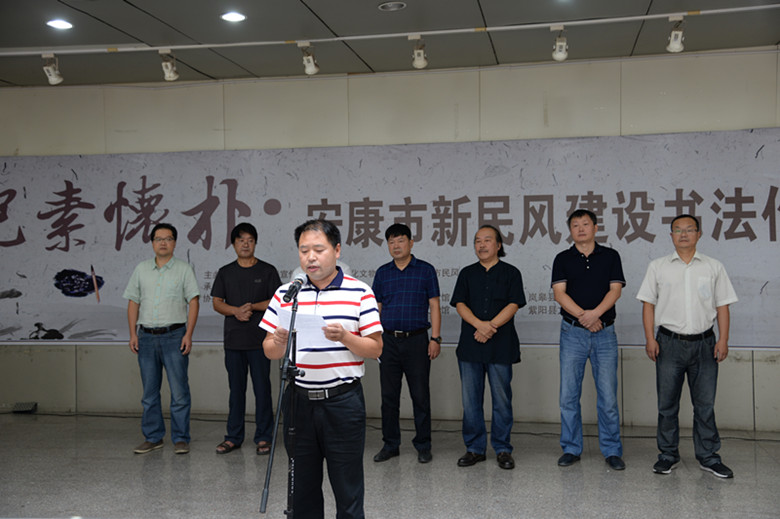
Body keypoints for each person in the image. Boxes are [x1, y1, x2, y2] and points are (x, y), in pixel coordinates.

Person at [260, 219, 382, 519]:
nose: (310, 258)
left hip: (342, 402)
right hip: (298, 402)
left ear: (337, 250)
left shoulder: (360, 292)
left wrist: (345, 337)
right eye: (304, 251)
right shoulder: (287, 294)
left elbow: (375, 348)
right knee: (302, 490)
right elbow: (269, 350)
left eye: (318, 249)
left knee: (347, 487)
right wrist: (279, 341)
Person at [636, 214, 738, 479]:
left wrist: (723, 339)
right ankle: (668, 455)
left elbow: (722, 305)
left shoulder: (713, 267)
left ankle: (709, 456)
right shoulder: (658, 266)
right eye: (678, 230)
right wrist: (649, 338)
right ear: (671, 235)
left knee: (704, 405)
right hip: (668, 343)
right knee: (667, 405)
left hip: (705, 344)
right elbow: (648, 304)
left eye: (689, 229)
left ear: (699, 234)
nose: (683, 234)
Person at [551, 209, 626, 470]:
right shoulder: (562, 258)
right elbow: (559, 294)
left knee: (608, 397)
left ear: (595, 228)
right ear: (570, 231)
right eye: (575, 225)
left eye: (585, 224)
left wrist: (595, 314)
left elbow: (615, 291)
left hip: (605, 334)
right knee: (568, 395)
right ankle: (571, 448)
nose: (581, 229)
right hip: (572, 333)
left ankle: (612, 450)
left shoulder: (611, 256)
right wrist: (585, 317)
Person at [450, 225, 526, 470]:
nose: (481, 245)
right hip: (470, 346)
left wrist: (490, 326)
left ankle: (503, 448)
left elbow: (514, 304)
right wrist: (480, 325)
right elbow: (459, 304)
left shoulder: (511, 273)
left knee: (502, 400)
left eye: (487, 240)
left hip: (501, 346)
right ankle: (475, 448)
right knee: (470, 401)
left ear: (498, 245)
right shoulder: (466, 273)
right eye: (477, 241)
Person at [124, 223, 200, 455]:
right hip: (146, 337)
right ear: (152, 243)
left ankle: (181, 438)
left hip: (175, 336)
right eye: (158, 239)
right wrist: (132, 333)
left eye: (168, 238)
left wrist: (188, 334)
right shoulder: (141, 269)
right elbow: (133, 301)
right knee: (149, 393)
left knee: (179, 392)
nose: (163, 243)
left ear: (174, 243)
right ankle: (153, 437)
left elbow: (194, 301)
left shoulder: (184, 269)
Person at [371, 223, 441, 464]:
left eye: (400, 240)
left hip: (417, 341)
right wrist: (374, 340)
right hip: (388, 341)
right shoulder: (383, 273)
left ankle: (423, 445)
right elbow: (376, 308)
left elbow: (434, 305)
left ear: (411, 243)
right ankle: (390, 444)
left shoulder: (425, 270)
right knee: (388, 397)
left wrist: (435, 338)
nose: (396, 246)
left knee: (420, 396)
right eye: (391, 242)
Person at [211, 223, 281, 455]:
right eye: (241, 240)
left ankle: (264, 437)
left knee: (262, 390)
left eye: (250, 240)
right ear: (233, 244)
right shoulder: (225, 272)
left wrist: (252, 306)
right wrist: (236, 311)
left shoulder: (267, 271)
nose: (245, 244)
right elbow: (217, 302)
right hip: (234, 341)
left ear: (255, 243)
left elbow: (278, 301)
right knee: (236, 391)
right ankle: (233, 437)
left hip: (261, 341)